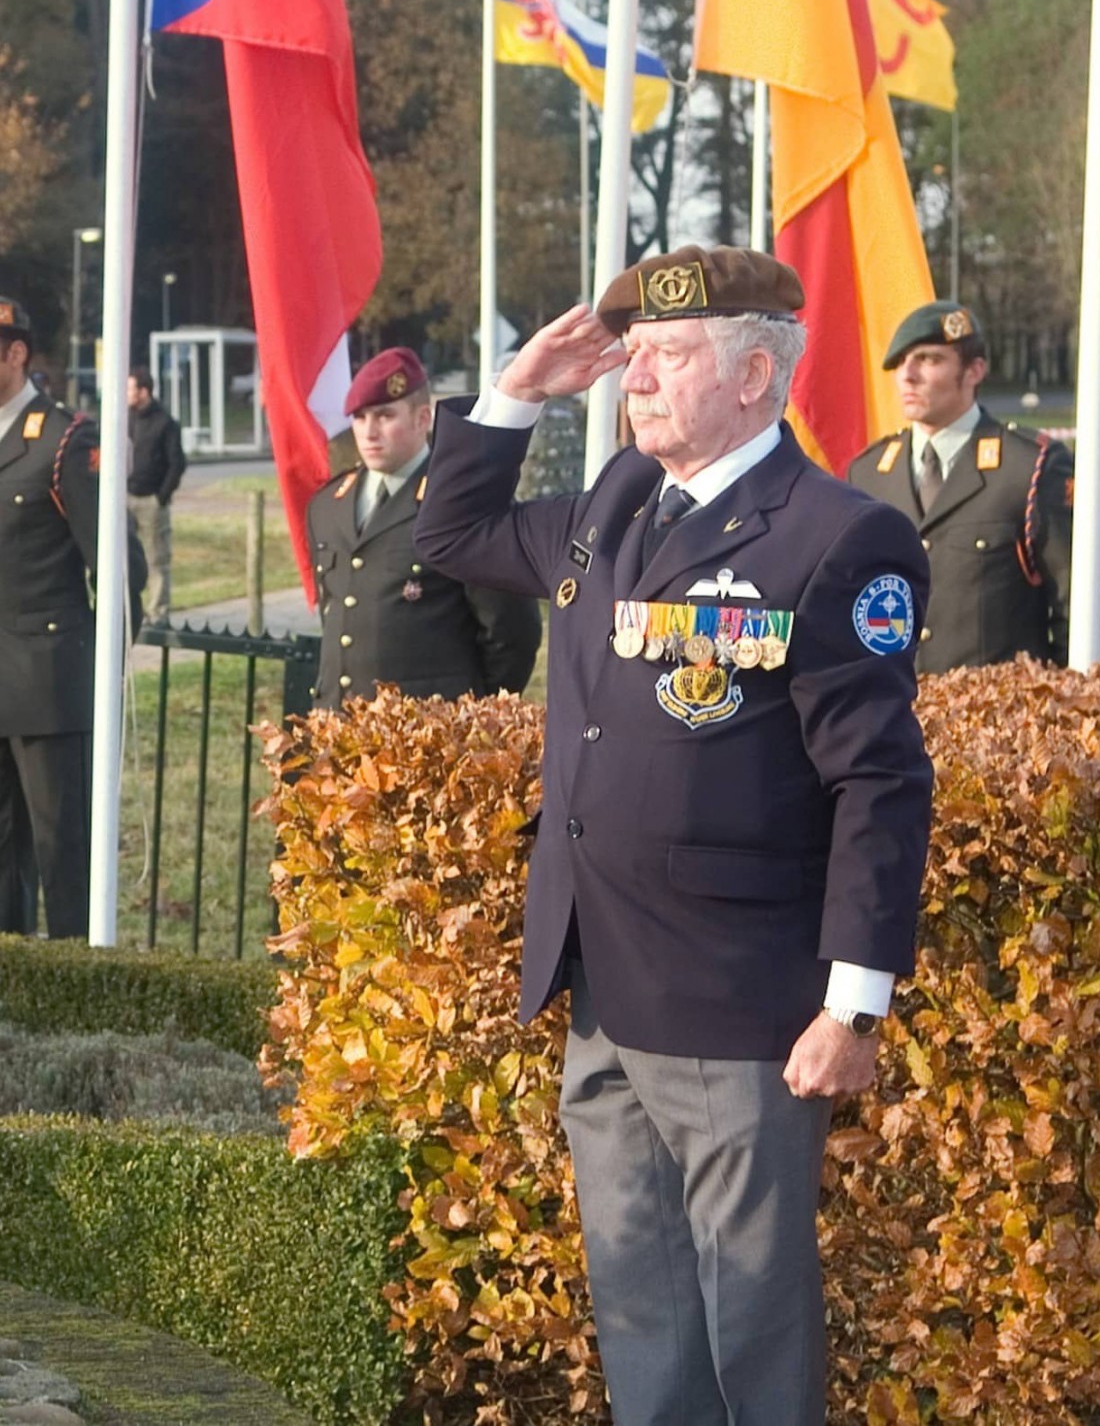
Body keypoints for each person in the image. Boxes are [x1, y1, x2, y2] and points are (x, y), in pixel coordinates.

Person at [415, 246, 934, 1425]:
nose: (634, 377)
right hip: (599, 982)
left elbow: (880, 784)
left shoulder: (834, 539)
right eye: (631, 354)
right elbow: (451, 537)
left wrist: (854, 1005)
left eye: (666, 355)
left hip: (736, 1003)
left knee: (751, 1320)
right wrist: (518, 390)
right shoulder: (614, 503)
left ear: (754, 376)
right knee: (641, 1312)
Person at [0, 296, 144, 940]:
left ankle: (76, 986)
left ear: (16, 353)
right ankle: (1, 977)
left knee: (63, 852)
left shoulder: (63, 440)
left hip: (49, 685)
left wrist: (102, 671)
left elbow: (117, 566)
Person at [848, 300, 1078, 671]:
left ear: (974, 371)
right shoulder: (870, 473)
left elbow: (1079, 604)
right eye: (900, 363)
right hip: (890, 716)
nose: (907, 375)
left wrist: (1046, 702)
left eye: (928, 359)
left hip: (999, 719)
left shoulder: (1029, 467)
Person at [305, 346, 540, 709]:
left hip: (424, 734)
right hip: (341, 726)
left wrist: (473, 710)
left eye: (384, 416)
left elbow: (511, 629)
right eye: (360, 417)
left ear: (422, 419)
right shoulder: (328, 506)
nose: (369, 432)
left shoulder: (461, 501)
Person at [126, 368, 186, 621]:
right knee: (125, 556)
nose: (126, 394)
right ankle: (127, 610)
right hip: (126, 498)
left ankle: (158, 613)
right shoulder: (124, 419)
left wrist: (161, 496)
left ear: (144, 391)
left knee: (156, 558)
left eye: (130, 388)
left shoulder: (165, 423)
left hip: (151, 500)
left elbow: (177, 462)